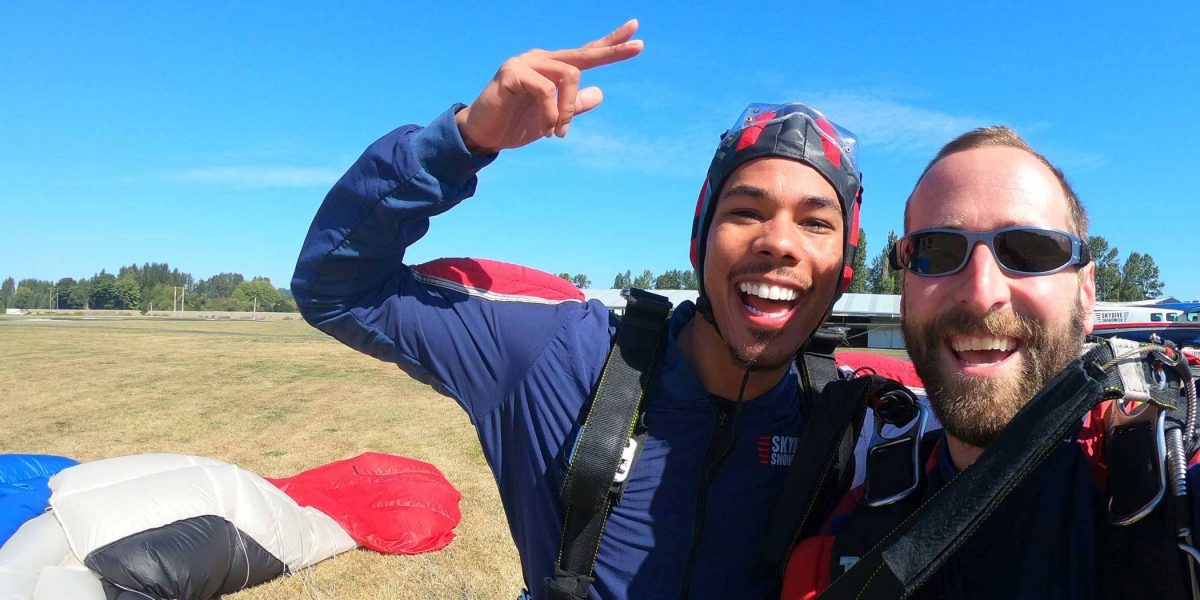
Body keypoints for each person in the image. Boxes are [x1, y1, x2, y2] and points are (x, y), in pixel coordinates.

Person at [291, 20, 865, 600]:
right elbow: (338, 289)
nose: (779, 242)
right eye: (745, 211)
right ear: (700, 239)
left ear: (844, 267)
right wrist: (460, 143)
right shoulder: (558, 357)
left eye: (816, 222)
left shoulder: (852, 420)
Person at [782, 126, 1200, 599]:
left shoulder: (1177, 486)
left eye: (1030, 251)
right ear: (904, 292)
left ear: (1086, 294)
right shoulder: (847, 535)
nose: (982, 294)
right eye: (936, 251)